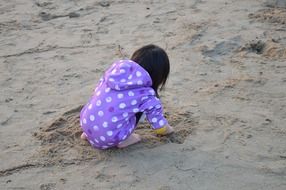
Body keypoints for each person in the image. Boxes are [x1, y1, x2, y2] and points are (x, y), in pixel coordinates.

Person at [80, 44, 174, 149]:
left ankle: (89, 136)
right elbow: (160, 128)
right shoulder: (146, 95)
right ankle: (123, 140)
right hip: (108, 137)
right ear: (159, 76)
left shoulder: (114, 74)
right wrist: (170, 129)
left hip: (85, 123)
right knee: (137, 132)